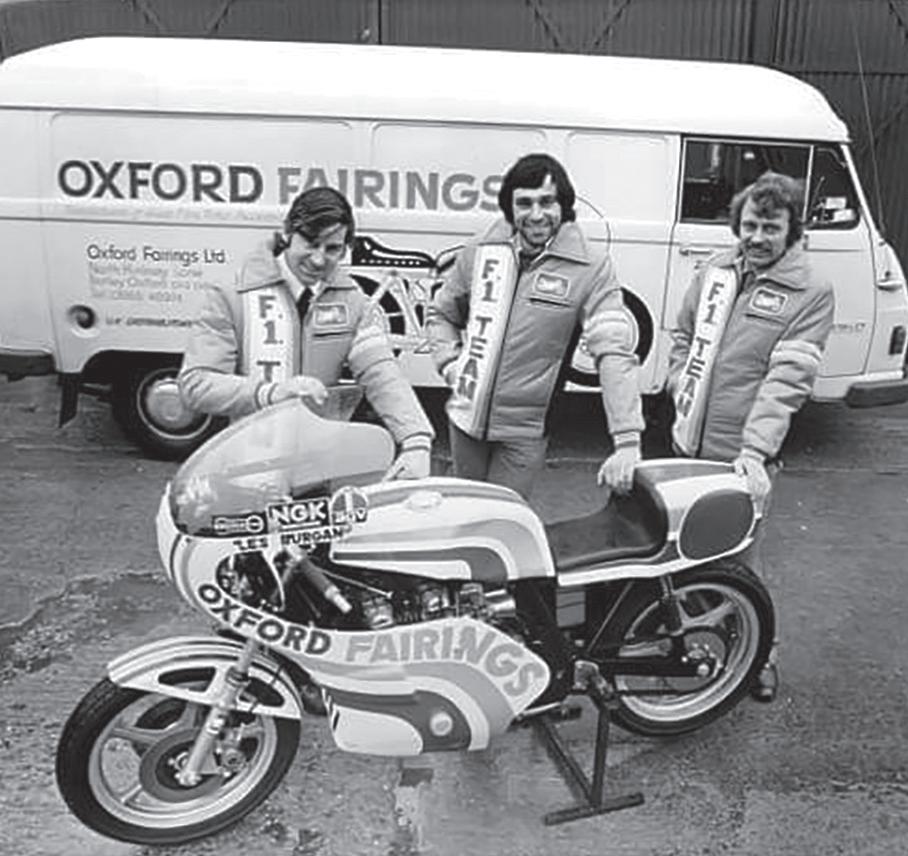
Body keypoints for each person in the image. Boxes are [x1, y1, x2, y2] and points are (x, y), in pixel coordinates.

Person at [667, 170, 835, 703]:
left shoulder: (811, 291)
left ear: (792, 231)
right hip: (687, 443)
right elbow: (683, 335)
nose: (758, 237)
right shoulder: (715, 271)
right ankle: (703, 647)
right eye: (750, 225)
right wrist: (678, 382)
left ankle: (761, 657)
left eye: (771, 227)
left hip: (743, 456)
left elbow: (787, 382)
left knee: (741, 564)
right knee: (683, 558)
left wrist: (755, 452)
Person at [427, 153, 644, 500]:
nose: (537, 214)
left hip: (525, 430)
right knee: (464, 512)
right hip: (464, 418)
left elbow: (614, 352)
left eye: (547, 202)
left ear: (564, 205)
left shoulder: (591, 266)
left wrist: (627, 440)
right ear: (510, 207)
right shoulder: (481, 250)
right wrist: (450, 364)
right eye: (524, 203)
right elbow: (441, 314)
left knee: (502, 519)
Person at [179, 186, 434, 479]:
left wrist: (416, 439)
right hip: (246, 473)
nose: (318, 259)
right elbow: (196, 383)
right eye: (311, 243)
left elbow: (381, 373)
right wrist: (270, 393)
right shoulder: (231, 293)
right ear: (287, 233)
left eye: (332, 249)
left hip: (318, 474)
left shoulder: (352, 301)